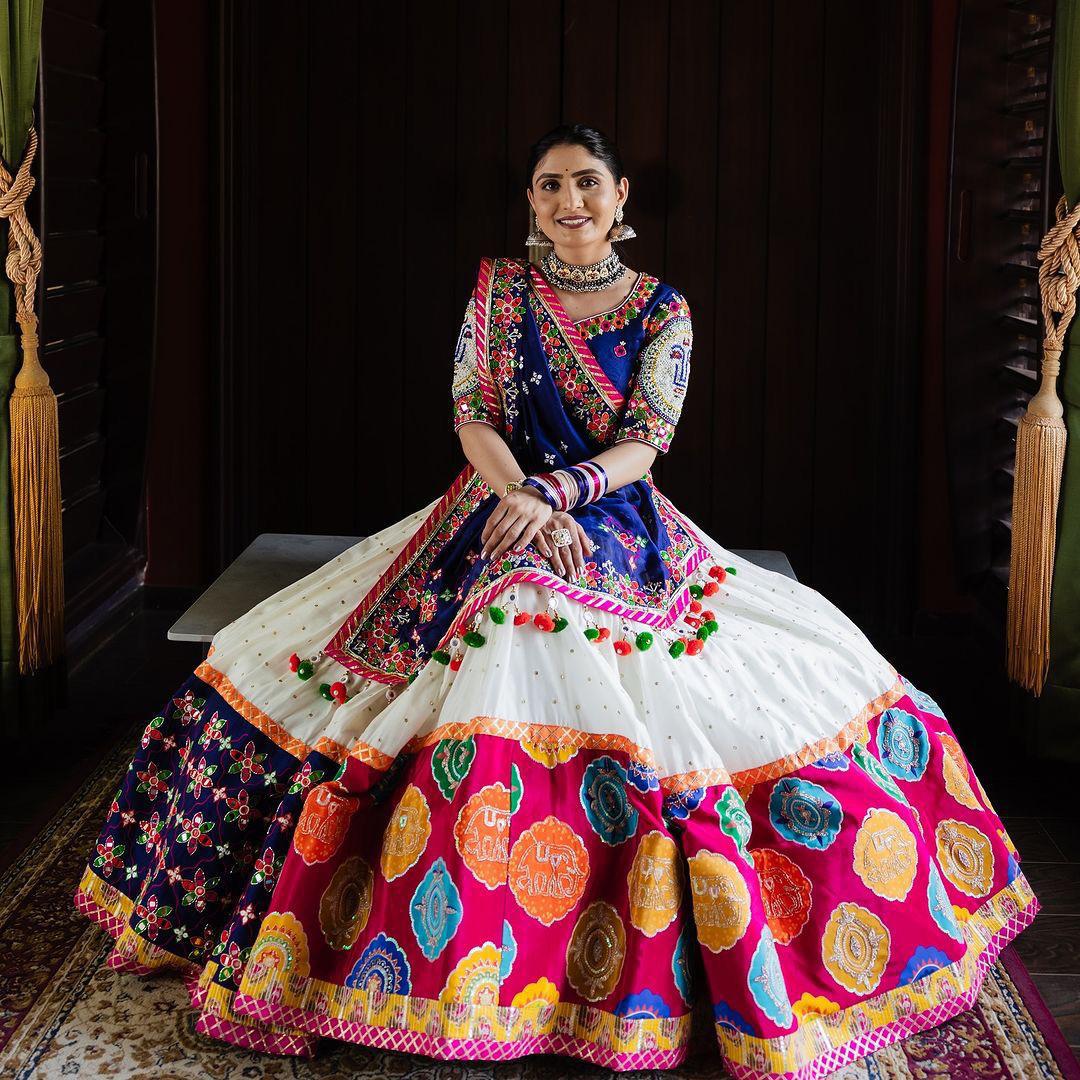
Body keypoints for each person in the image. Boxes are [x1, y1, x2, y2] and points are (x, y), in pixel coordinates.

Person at [74, 123, 1041, 1078]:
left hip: (609, 512)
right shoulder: (498, 293)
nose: (568, 200)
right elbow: (472, 416)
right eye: (548, 186)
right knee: (378, 643)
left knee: (655, 643)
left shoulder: (664, 309)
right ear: (532, 204)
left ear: (621, 200)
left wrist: (558, 494)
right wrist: (513, 496)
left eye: (586, 183)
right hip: (488, 509)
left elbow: (647, 442)